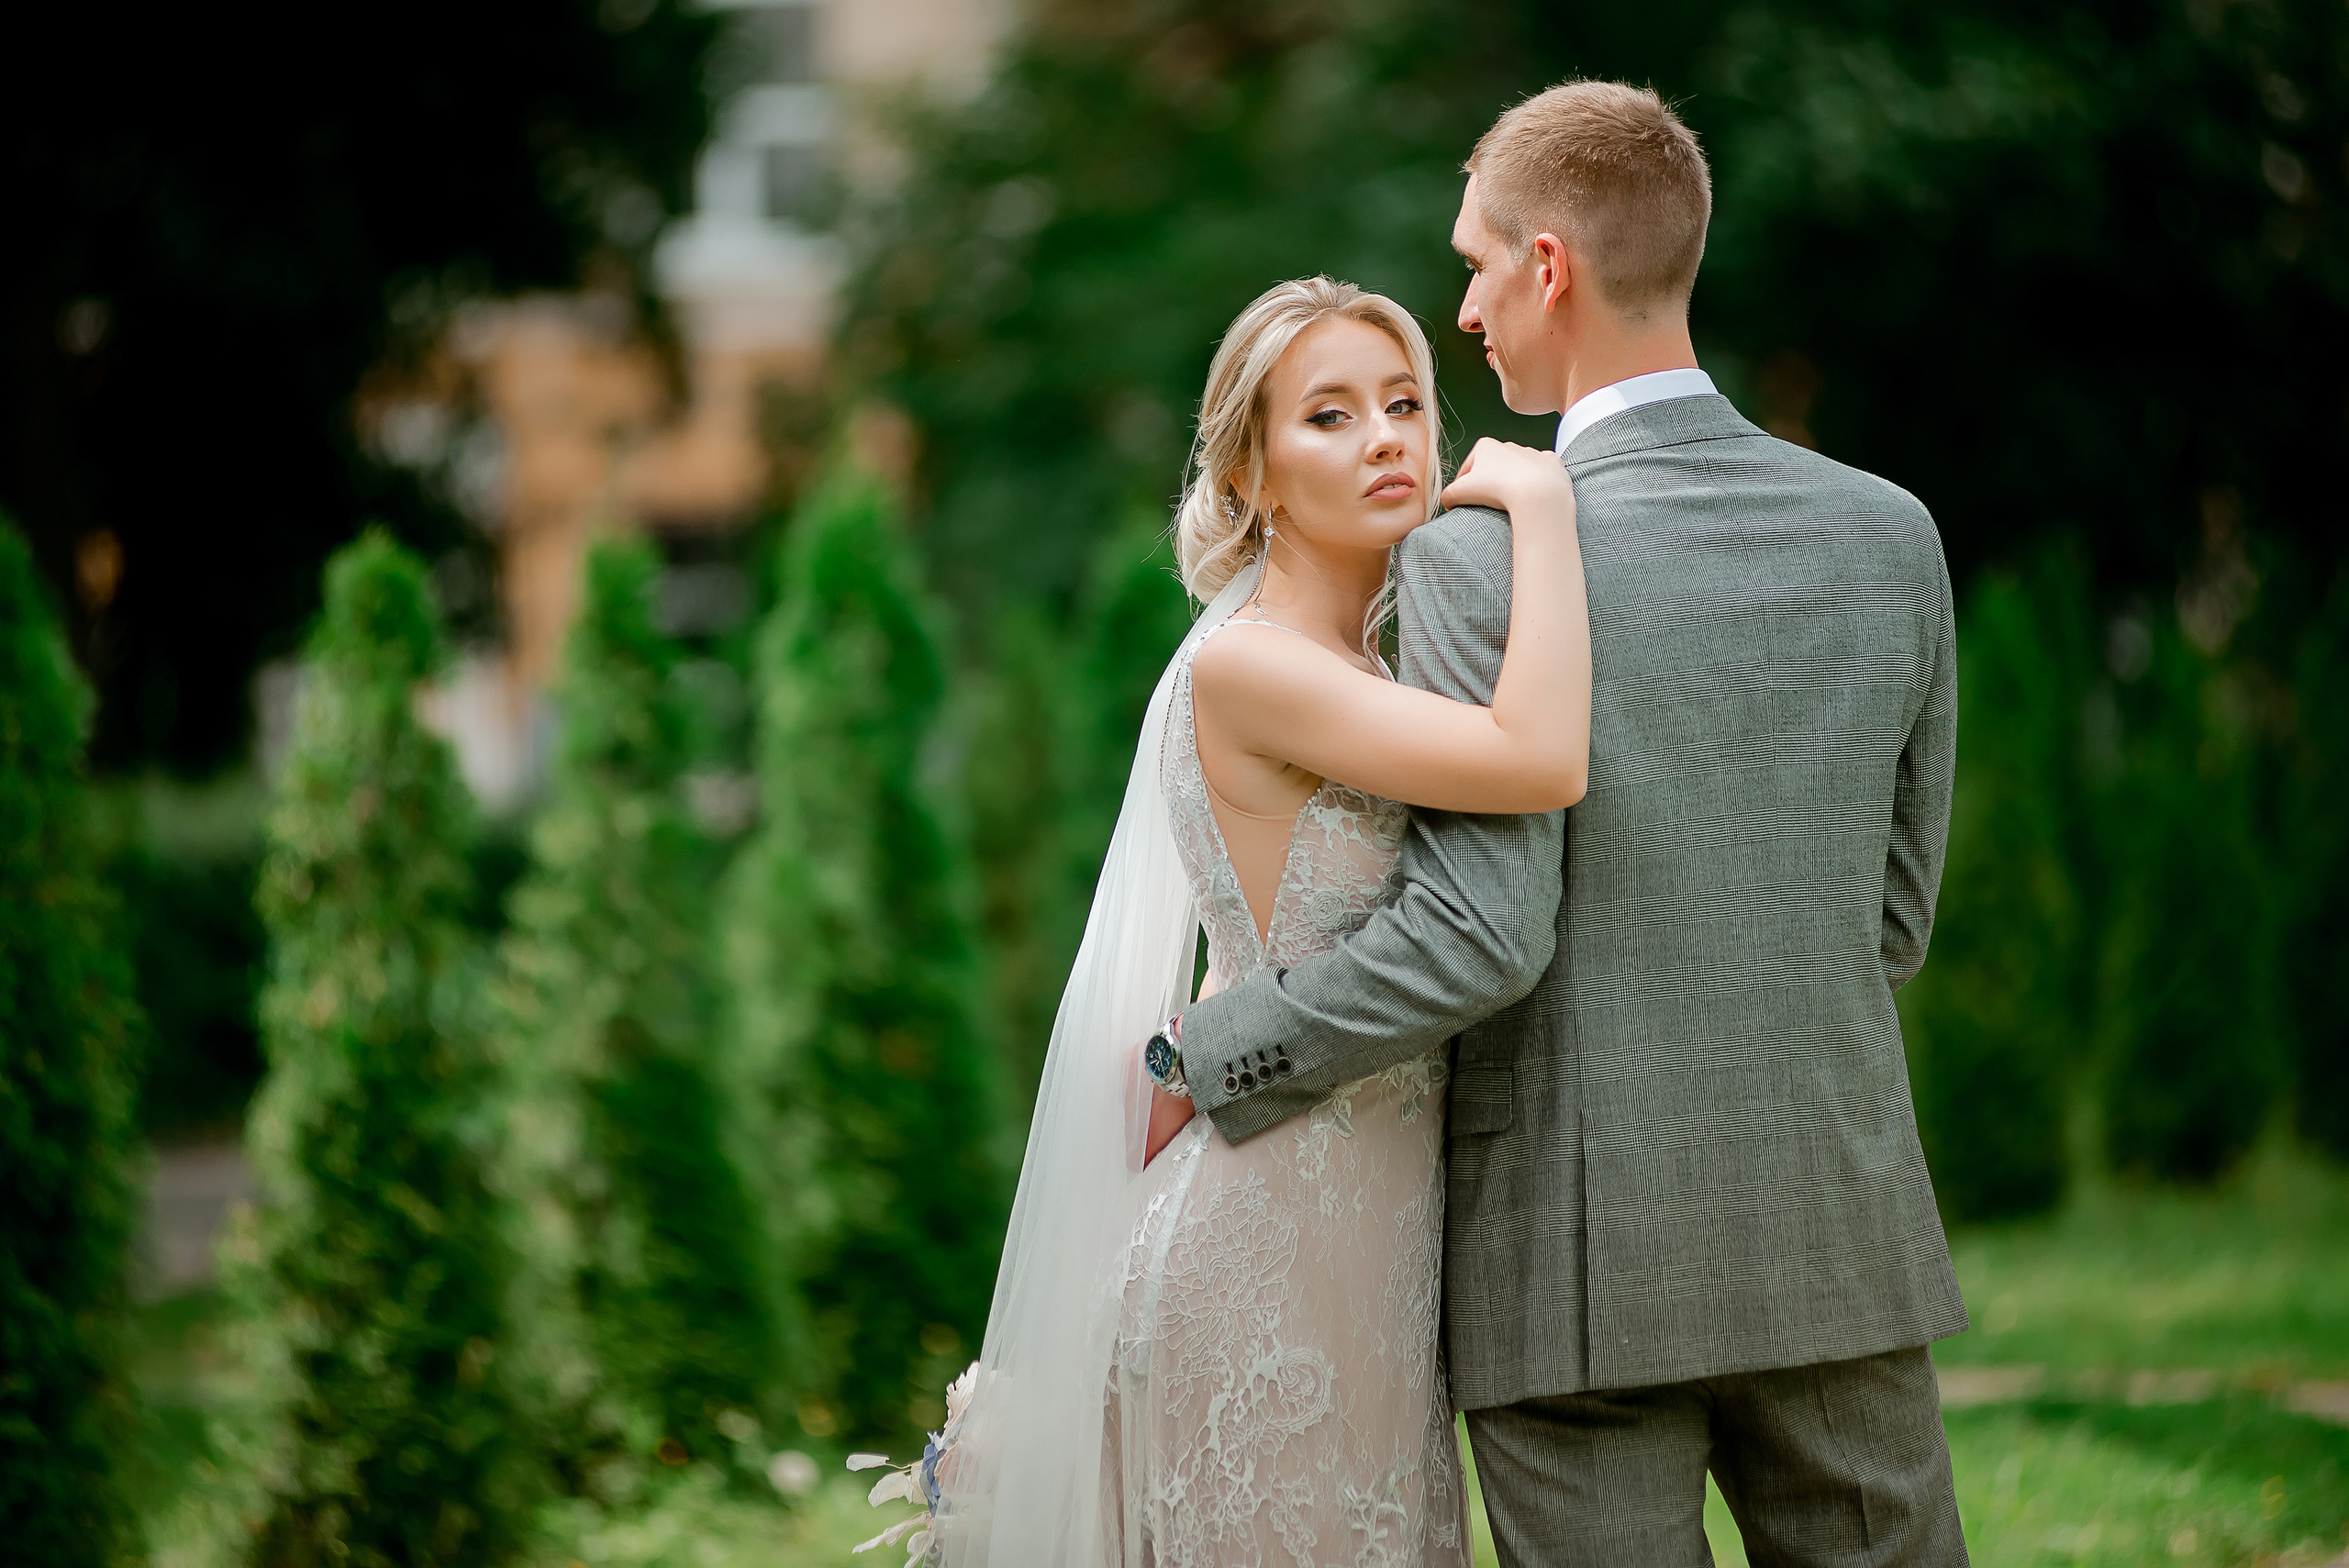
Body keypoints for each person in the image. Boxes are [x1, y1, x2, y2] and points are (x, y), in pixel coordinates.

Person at [1163, 79, 1970, 1567]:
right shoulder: (1892, 533)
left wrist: (1218, 1050)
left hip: (1577, 1264)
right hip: (1837, 1229)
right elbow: (1895, 921)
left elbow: (1481, 934)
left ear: (1548, 270)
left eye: (1475, 265)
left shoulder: (1476, 559)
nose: (1463, 312)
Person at [935, 275, 1589, 1568]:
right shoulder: (1253, 665)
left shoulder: (1364, 666)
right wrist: (1551, 508)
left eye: (1404, 403)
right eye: (1330, 416)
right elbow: (1541, 756)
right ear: (1253, 476)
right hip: (1265, 1240)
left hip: (1371, 1238)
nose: (1388, 437)